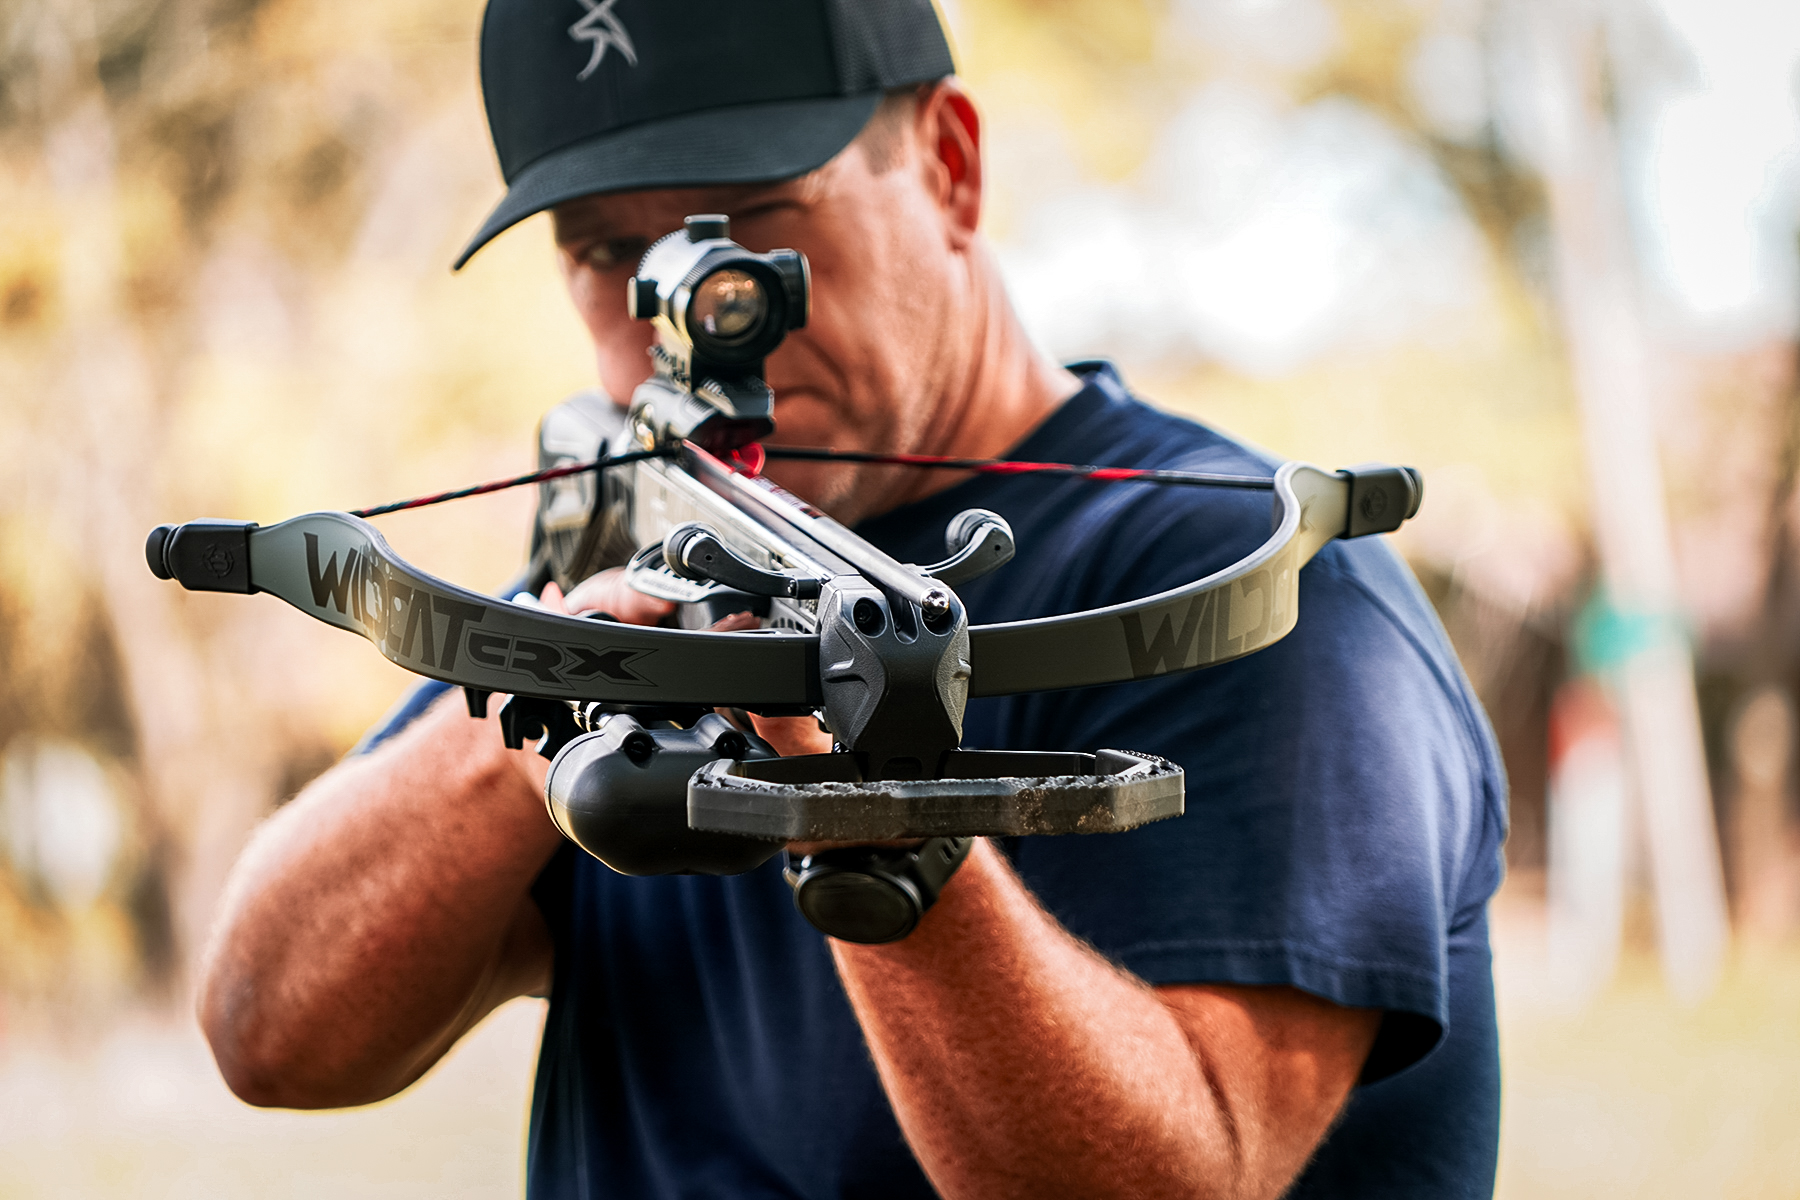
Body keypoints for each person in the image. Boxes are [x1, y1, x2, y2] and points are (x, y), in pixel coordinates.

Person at [196, 2, 1508, 1197]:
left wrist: (861, 815)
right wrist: (554, 688)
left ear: (949, 166)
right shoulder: (624, 583)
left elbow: (1184, 1175)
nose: (690, 318)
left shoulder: (1262, 592)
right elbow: (270, 1031)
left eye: (750, 225)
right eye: (608, 253)